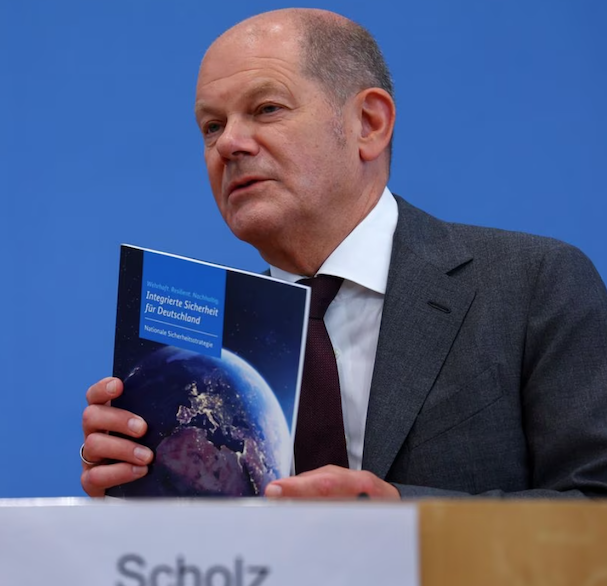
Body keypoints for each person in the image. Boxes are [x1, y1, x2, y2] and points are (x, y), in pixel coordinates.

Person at [80, 8, 607, 498]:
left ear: (369, 124)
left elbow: (594, 505)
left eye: (266, 108)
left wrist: (401, 518)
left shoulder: (534, 286)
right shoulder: (208, 350)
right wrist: (138, 494)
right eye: (211, 125)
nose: (229, 144)